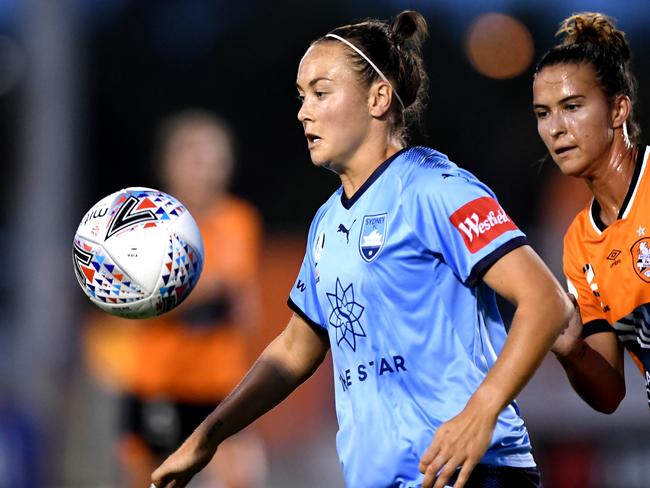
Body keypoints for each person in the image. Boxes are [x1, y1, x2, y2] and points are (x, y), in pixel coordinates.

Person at [152, 11, 573, 488]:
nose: (303, 111)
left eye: (321, 92)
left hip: (473, 473)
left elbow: (546, 302)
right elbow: (294, 349)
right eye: (301, 96)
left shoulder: (434, 188)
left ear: (378, 98)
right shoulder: (328, 222)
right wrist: (207, 438)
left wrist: (481, 411)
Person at [83, 109, 267, 488]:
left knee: (243, 476)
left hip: (221, 384)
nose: (206, 169)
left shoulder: (240, 220)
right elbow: (128, 304)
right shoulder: (144, 224)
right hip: (161, 383)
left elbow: (244, 301)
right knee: (150, 480)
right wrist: (197, 291)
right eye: (195, 157)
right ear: (169, 164)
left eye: (216, 158)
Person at [532, 12, 650, 415]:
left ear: (618, 110)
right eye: (543, 113)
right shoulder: (579, 245)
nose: (555, 128)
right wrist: (570, 349)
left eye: (572, 106)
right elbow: (609, 394)